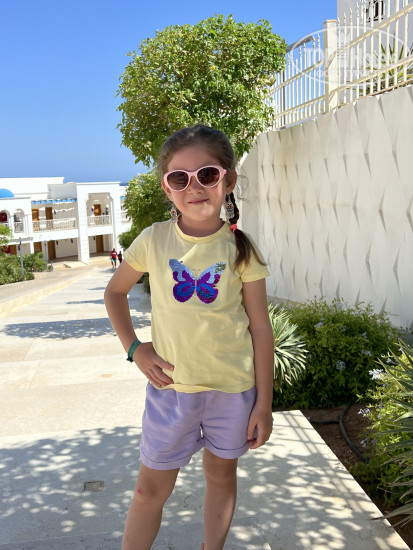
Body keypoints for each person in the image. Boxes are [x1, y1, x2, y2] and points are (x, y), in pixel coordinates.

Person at [104, 124, 274, 550]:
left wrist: (264, 404)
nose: (194, 186)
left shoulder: (242, 249)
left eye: (208, 174)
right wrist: (135, 348)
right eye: (179, 177)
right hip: (172, 391)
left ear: (228, 180)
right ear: (168, 188)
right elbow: (115, 292)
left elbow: (260, 327)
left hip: (232, 392)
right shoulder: (154, 240)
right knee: (148, 490)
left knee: (221, 476)